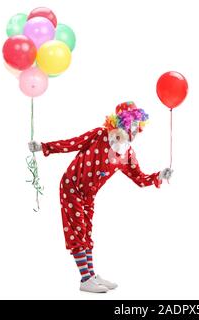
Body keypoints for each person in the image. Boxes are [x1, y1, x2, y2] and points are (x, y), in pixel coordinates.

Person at [29, 101, 173, 293]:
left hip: (89, 195)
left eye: (138, 126)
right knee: (77, 230)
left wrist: (160, 175)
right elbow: (73, 143)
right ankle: (85, 279)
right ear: (121, 123)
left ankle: (91, 275)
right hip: (71, 186)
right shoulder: (99, 135)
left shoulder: (126, 153)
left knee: (86, 232)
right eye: (132, 125)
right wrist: (43, 147)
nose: (136, 130)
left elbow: (139, 178)